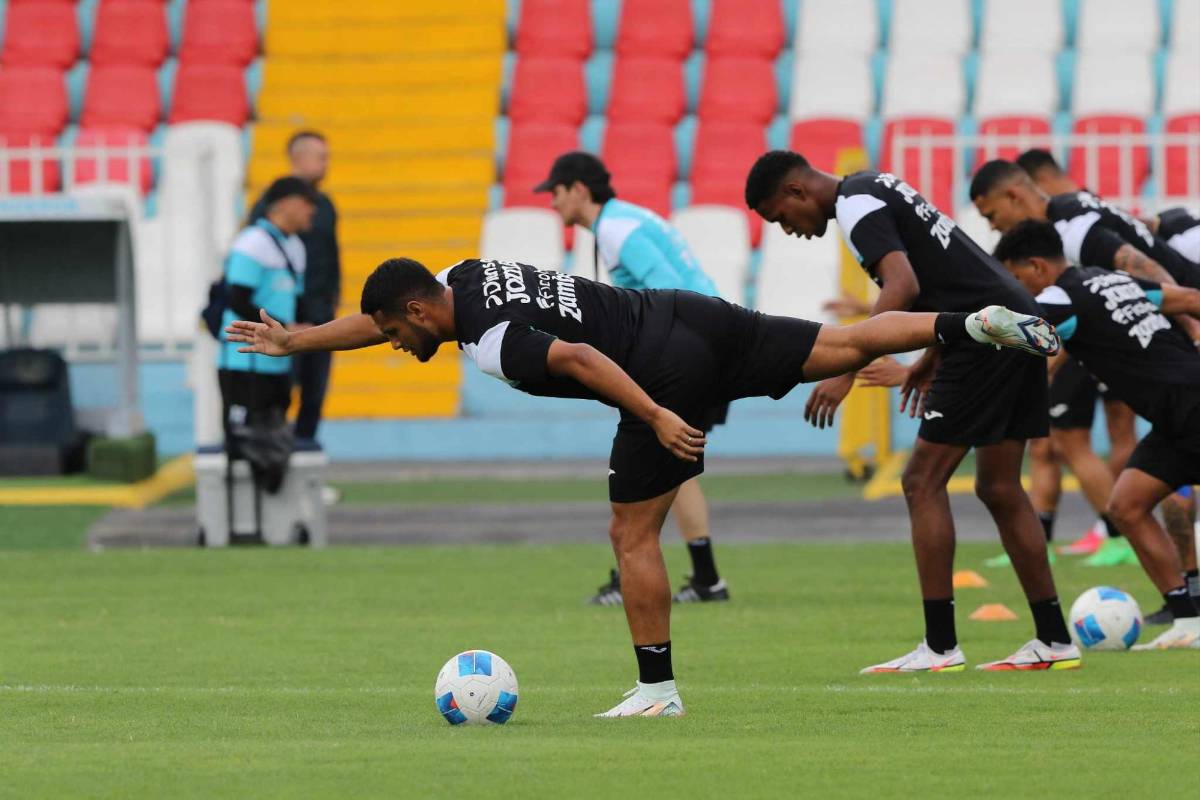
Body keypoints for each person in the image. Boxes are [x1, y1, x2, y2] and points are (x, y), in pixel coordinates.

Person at [226, 256, 1060, 714]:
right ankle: (971, 326)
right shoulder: (464, 272)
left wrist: (660, 416)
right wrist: (300, 341)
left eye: (394, 335)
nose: (393, 346)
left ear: (418, 312)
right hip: (688, 313)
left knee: (630, 536)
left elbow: (583, 362)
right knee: (845, 343)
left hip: (655, 371)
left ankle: (656, 691)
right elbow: (377, 320)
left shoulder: (488, 341)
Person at [744, 150, 1079, 674]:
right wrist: (929, 356)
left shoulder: (855, 204)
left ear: (797, 193)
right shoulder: (877, 184)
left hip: (985, 335)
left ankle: (940, 647)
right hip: (1015, 323)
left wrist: (845, 366)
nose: (788, 230)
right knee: (1000, 487)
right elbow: (948, 275)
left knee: (921, 481)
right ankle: (1054, 639)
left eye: (781, 218)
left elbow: (903, 285)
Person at [534, 151, 729, 606]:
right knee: (674, 464)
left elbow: (668, 294)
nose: (552, 203)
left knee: (651, 462)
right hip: (706, 343)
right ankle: (704, 578)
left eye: (556, 192)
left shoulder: (616, 229)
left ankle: (644, 572)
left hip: (688, 349)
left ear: (579, 190)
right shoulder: (625, 221)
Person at [993, 220, 1200, 649]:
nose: (1021, 291)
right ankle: (1190, 623)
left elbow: (1019, 335)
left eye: (1016, 280)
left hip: (1190, 406)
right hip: (1175, 418)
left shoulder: (1059, 297)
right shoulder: (1113, 280)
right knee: (1126, 506)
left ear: (1035, 267)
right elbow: (1192, 298)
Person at [250, 131, 341, 445]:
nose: (326, 164)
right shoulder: (268, 206)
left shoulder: (326, 206)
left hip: (320, 313)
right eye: (321, 156)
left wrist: (332, 298)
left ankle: (305, 455)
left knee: (315, 391)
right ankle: (272, 455)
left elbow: (331, 255)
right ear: (298, 158)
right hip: (282, 317)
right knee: (279, 390)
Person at [217, 177, 315, 446]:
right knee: (245, 442)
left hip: (278, 360)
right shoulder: (251, 242)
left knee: (274, 439)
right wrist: (284, 327)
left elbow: (294, 297)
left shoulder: (295, 246)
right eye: (307, 203)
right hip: (245, 361)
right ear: (285, 204)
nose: (312, 210)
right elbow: (237, 300)